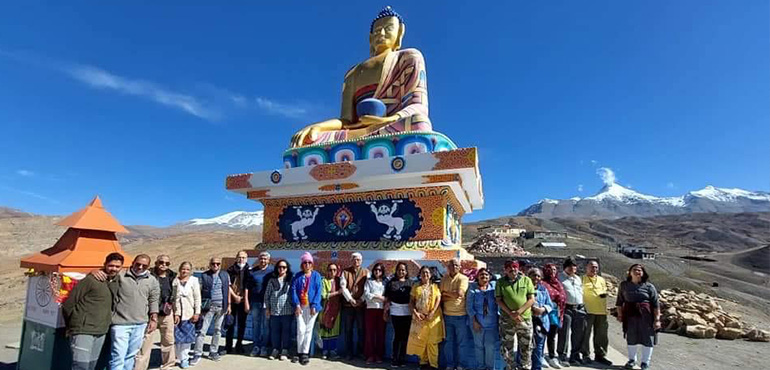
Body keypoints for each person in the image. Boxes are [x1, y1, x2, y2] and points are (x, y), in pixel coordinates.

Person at [290, 6, 431, 148]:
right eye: (376, 31)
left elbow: (418, 105)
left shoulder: (409, 57)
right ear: (370, 38)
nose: (381, 33)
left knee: (418, 122)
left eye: (388, 29)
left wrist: (389, 119)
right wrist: (319, 127)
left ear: (400, 32)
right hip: (357, 132)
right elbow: (346, 120)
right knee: (309, 140)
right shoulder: (352, 73)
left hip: (391, 125)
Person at [62, 252, 122, 370]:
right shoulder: (91, 280)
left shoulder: (115, 281)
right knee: (81, 366)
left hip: (101, 331)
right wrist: (72, 325)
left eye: (117, 266)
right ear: (104, 264)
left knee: (92, 365)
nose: (113, 269)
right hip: (83, 330)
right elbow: (68, 304)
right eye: (111, 265)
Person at [109, 254, 161, 370]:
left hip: (140, 323)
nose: (140, 267)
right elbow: (106, 273)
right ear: (133, 262)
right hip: (120, 323)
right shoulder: (120, 276)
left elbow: (153, 300)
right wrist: (94, 271)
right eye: (138, 264)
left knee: (131, 356)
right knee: (118, 355)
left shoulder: (152, 280)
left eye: (144, 265)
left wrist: (154, 319)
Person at [134, 255, 176, 370]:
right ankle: (140, 367)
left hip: (167, 313)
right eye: (161, 262)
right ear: (156, 263)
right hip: (150, 314)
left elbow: (176, 295)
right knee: (145, 342)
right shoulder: (148, 275)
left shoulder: (172, 276)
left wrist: (176, 312)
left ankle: (168, 364)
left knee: (168, 340)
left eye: (167, 263)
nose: (164, 265)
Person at [616, 264, 660, 370]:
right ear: (630, 272)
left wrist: (657, 320)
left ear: (643, 273)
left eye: (640, 270)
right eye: (634, 270)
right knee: (631, 337)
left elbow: (656, 304)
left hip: (646, 316)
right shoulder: (624, 285)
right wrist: (620, 314)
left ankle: (645, 362)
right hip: (629, 315)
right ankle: (632, 360)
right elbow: (619, 302)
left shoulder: (649, 286)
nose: (637, 272)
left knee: (647, 338)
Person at [495, 260, 535, 370]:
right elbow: (498, 300)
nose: (512, 269)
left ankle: (525, 367)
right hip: (507, 319)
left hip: (524, 319)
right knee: (507, 347)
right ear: (505, 270)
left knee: (526, 346)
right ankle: (510, 367)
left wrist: (518, 312)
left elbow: (531, 299)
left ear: (518, 268)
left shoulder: (526, 280)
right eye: (509, 267)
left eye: (514, 267)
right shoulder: (500, 282)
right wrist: (510, 313)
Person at [192, 257, 231, 364]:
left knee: (218, 330)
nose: (215, 265)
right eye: (213, 263)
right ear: (210, 264)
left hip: (221, 307)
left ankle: (213, 351)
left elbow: (227, 290)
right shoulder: (204, 276)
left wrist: (229, 305)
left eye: (218, 264)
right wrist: (198, 308)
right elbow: (199, 292)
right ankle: (197, 353)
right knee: (202, 331)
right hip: (208, 308)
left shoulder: (225, 275)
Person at [406, 266, 444, 370]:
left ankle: (433, 365)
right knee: (420, 341)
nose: (425, 275)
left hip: (433, 318)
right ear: (420, 274)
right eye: (423, 272)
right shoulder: (416, 287)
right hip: (419, 318)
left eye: (427, 273)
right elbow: (411, 302)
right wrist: (416, 313)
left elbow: (438, 300)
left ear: (431, 275)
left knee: (432, 342)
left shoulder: (435, 286)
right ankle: (423, 363)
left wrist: (432, 312)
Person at [291, 252, 323, 366]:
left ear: (312, 264)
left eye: (309, 262)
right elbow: (293, 290)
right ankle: (299, 352)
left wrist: (314, 305)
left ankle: (305, 353)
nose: (307, 264)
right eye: (305, 262)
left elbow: (319, 291)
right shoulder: (297, 276)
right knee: (300, 329)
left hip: (312, 307)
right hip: (300, 306)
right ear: (302, 264)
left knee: (308, 330)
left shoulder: (316, 276)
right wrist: (297, 305)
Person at [465, 268, 499, 370]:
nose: (484, 276)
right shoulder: (472, 288)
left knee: (490, 346)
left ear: (489, 277)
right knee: (479, 346)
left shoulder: (493, 287)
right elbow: (469, 306)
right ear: (477, 277)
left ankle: (489, 367)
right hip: (477, 322)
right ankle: (481, 367)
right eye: (481, 275)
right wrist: (474, 321)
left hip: (491, 324)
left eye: (486, 275)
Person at [440, 258, 470, 370]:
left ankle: (461, 365)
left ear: (460, 267)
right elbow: (440, 297)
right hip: (447, 315)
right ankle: (450, 364)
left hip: (460, 316)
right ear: (448, 267)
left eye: (456, 265)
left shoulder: (463, 278)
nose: (454, 267)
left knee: (461, 343)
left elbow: (459, 294)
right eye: (451, 265)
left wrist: (446, 294)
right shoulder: (444, 279)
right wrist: (450, 295)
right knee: (448, 342)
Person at [581, 260, 612, 366]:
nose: (594, 269)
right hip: (587, 311)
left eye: (596, 267)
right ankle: (585, 355)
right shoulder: (582, 279)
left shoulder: (602, 280)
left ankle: (600, 355)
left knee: (602, 335)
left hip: (601, 311)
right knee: (585, 334)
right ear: (586, 268)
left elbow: (604, 291)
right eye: (592, 267)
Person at [340, 252, 369, 359]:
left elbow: (368, 288)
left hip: (361, 306)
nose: (356, 261)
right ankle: (349, 352)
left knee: (361, 329)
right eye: (354, 259)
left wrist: (361, 300)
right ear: (351, 260)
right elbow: (343, 287)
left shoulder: (366, 272)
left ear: (361, 261)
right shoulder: (345, 272)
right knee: (348, 330)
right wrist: (351, 299)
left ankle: (360, 351)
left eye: (358, 259)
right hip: (348, 305)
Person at [172, 262, 201, 369]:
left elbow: (197, 298)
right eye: (183, 269)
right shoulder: (175, 281)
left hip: (189, 314)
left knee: (187, 338)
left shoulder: (194, 281)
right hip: (177, 314)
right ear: (180, 269)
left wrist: (197, 312)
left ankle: (184, 358)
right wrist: (175, 313)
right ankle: (177, 357)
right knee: (177, 337)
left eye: (188, 269)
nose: (185, 271)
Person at [557, 258, 586, 366]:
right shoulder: (560, 278)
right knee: (564, 332)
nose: (572, 268)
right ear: (565, 267)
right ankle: (562, 355)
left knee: (578, 333)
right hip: (566, 308)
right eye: (570, 266)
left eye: (574, 266)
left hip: (579, 308)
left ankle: (575, 355)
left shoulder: (578, 278)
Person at [384, 262, 412, 368]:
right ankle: (394, 358)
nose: (401, 272)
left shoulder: (410, 283)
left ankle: (402, 358)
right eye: (399, 270)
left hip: (407, 312)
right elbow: (387, 298)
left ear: (406, 271)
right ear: (396, 271)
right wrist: (385, 312)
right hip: (396, 311)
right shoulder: (392, 283)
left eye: (403, 270)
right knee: (397, 335)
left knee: (405, 336)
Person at [265, 259, 294, 361]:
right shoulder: (272, 280)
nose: (281, 269)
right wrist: (267, 308)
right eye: (279, 267)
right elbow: (267, 295)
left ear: (287, 269)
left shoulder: (291, 280)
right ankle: (275, 350)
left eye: (284, 267)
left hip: (287, 311)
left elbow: (294, 294)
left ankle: (285, 351)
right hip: (274, 311)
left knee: (286, 332)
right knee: (275, 332)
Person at [248, 252, 274, 357]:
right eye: (261, 259)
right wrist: (247, 301)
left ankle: (264, 347)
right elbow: (247, 288)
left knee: (266, 325)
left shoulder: (272, 271)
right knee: (256, 324)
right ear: (258, 259)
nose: (263, 261)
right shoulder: (252, 271)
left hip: (267, 303)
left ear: (268, 260)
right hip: (255, 302)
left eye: (265, 259)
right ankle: (256, 346)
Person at [528, 268, 554, 370]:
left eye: (538, 276)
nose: (536, 278)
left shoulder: (543, 289)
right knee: (526, 348)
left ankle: (537, 367)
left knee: (539, 348)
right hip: (528, 322)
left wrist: (542, 309)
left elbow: (550, 304)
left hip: (541, 322)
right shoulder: (524, 288)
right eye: (534, 275)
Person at [226, 250, 251, 354]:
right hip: (232, 300)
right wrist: (234, 296)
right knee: (230, 323)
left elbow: (249, 286)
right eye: (240, 257)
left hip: (243, 301)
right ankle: (228, 347)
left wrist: (245, 300)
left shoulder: (249, 270)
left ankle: (239, 345)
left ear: (247, 259)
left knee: (242, 324)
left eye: (244, 257)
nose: (241, 259)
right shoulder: (230, 270)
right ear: (236, 258)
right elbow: (227, 285)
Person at [542, 264, 566, 369]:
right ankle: (540, 356)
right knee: (542, 335)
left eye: (554, 269)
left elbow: (562, 297)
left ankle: (552, 356)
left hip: (555, 313)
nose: (552, 272)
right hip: (544, 312)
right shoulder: (542, 283)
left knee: (552, 336)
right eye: (550, 270)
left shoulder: (558, 284)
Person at [363, 263, 387, 364]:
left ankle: (379, 355)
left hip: (381, 310)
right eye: (376, 270)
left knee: (380, 334)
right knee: (370, 333)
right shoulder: (369, 281)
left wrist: (378, 298)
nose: (377, 272)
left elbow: (387, 297)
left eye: (380, 270)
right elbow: (367, 295)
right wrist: (379, 297)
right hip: (370, 310)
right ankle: (370, 355)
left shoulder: (385, 282)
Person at [319, 263, 343, 359]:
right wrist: (337, 292)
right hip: (325, 309)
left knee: (334, 330)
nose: (332, 272)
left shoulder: (339, 282)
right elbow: (324, 295)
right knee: (324, 330)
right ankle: (325, 351)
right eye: (330, 270)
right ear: (327, 271)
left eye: (334, 270)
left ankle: (333, 351)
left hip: (336, 310)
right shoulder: (324, 281)